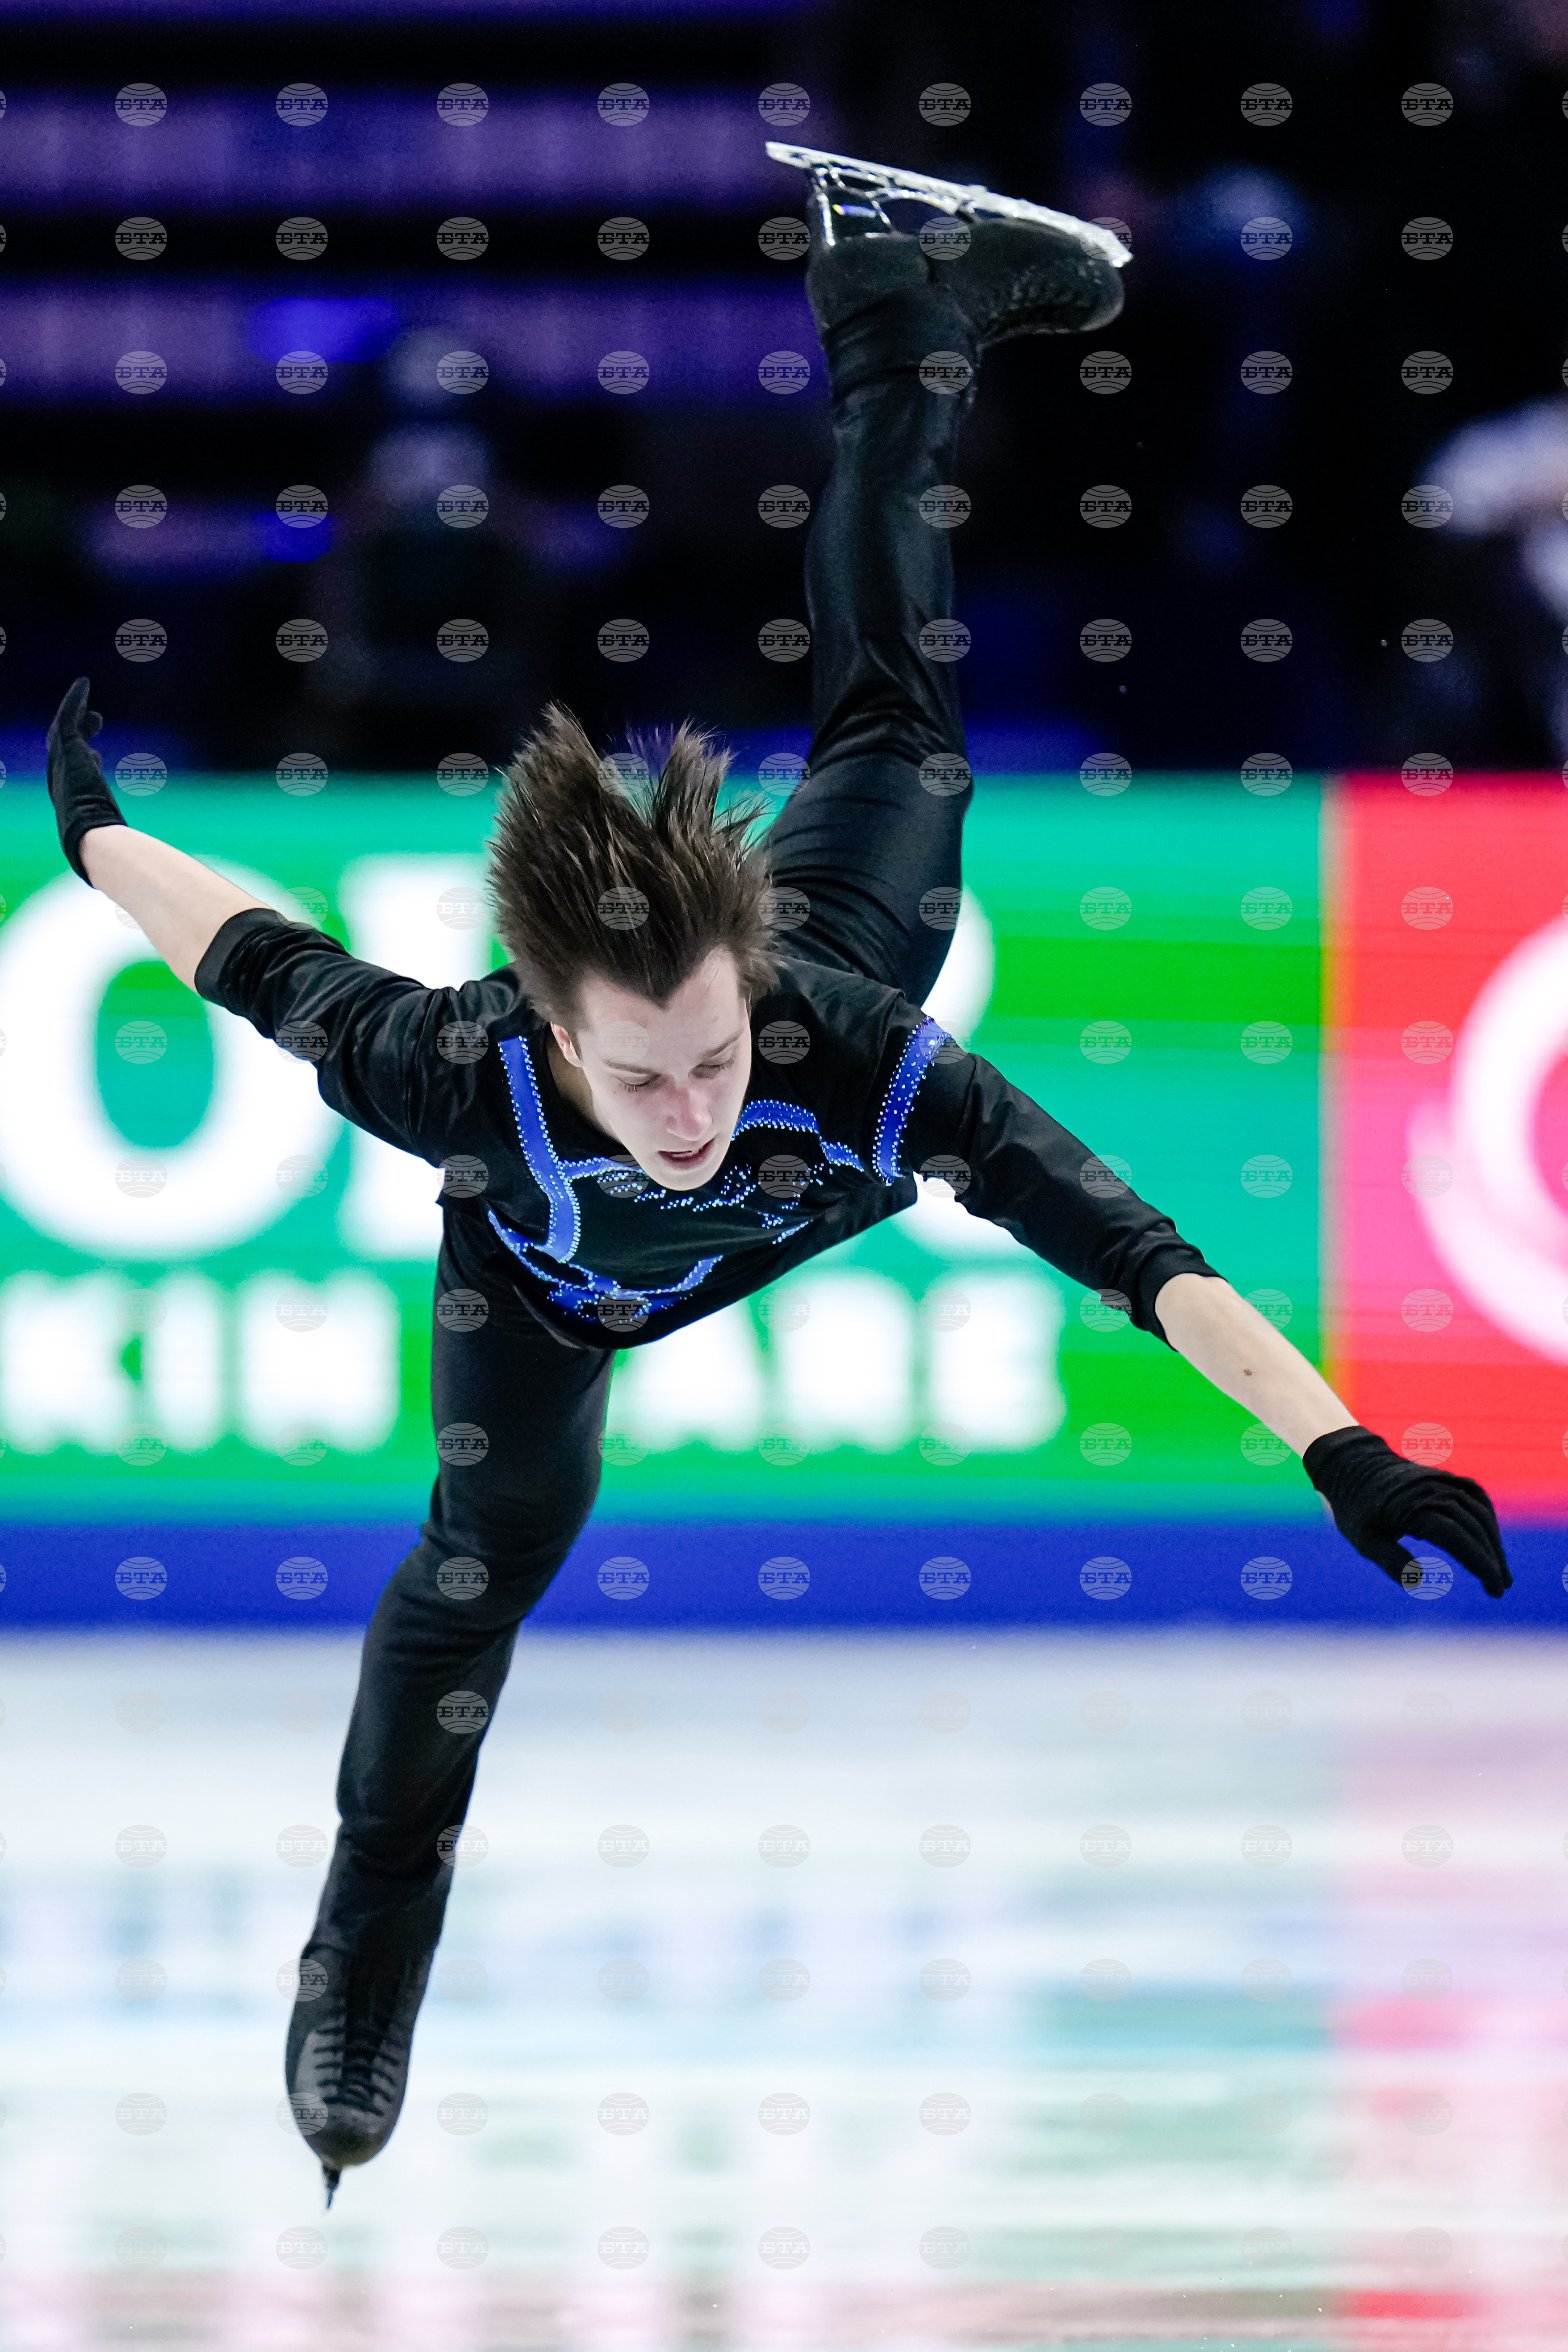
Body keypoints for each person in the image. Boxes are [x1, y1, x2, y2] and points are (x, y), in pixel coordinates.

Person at [44, 155, 1513, 2206]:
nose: (692, 1111)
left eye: (716, 1056)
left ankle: (894, 307)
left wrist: (1341, 1446)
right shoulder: (456, 1076)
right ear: (551, 1032)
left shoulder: (844, 1046)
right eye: (644, 1073)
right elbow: (255, 959)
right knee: (465, 1588)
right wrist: (92, 833)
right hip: (550, 1303)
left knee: (901, 736)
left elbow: (1133, 1253)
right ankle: (359, 1977)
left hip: (838, 933)